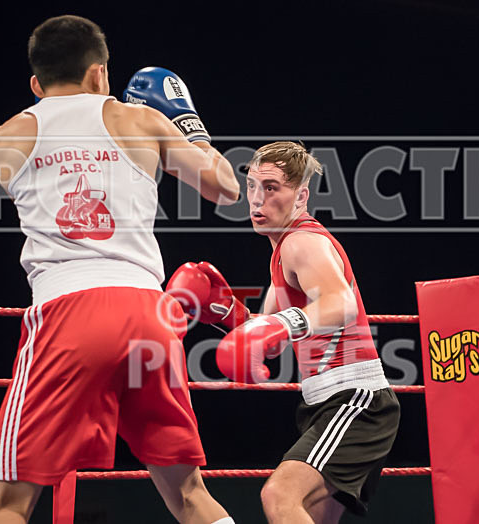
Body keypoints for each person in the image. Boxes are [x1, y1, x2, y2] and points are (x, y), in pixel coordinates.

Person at [0, 15, 239, 524]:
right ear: (101, 72)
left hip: (67, 314)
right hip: (149, 314)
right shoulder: (139, 121)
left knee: (9, 503)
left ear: (35, 82)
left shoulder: (4, 138)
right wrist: (184, 123)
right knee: (189, 496)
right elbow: (227, 188)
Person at [168, 142, 400, 522]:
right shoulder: (280, 252)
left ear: (301, 195)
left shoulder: (301, 242)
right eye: (252, 186)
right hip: (326, 403)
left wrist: (278, 324)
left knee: (279, 494)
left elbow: (338, 303)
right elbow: (267, 342)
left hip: (355, 401)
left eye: (271, 187)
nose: (257, 199)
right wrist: (226, 313)